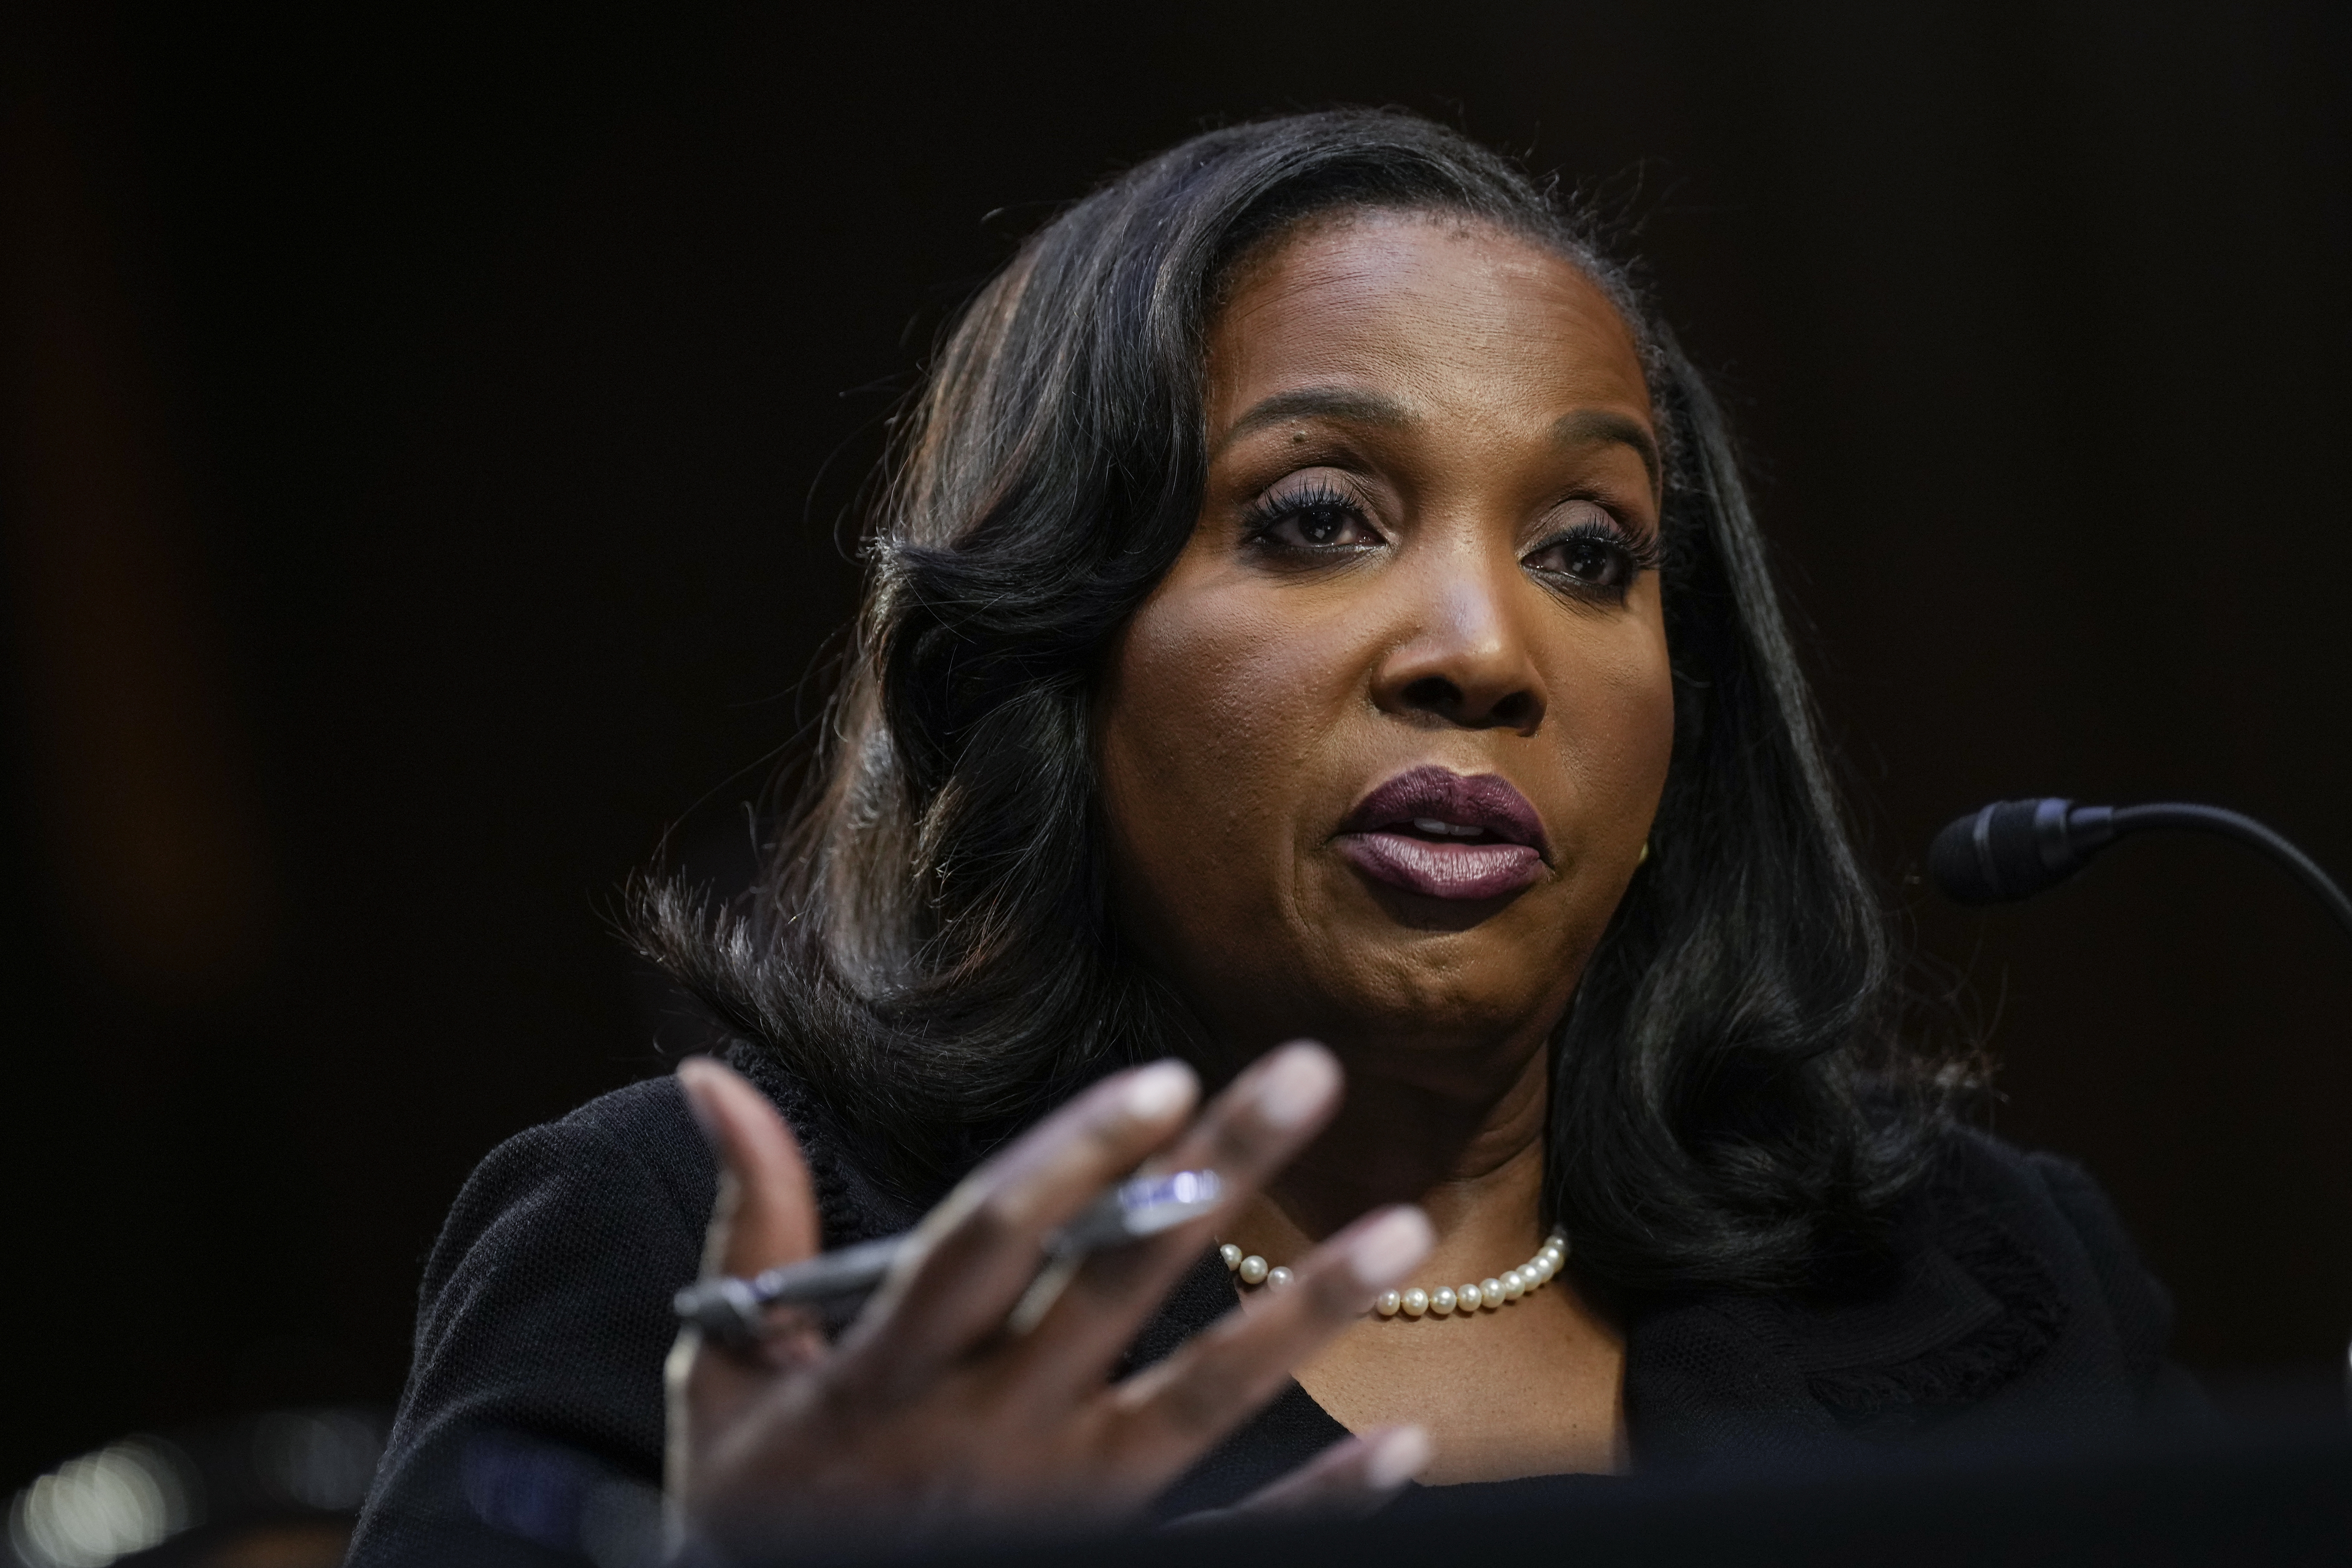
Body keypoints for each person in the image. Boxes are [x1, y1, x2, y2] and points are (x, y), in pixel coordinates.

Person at [346, 110, 2207, 1566]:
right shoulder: (705, 1258)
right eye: (1320, 518)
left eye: (1589, 554)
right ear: (1058, 642)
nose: (1484, 652)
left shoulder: (1988, 1263)